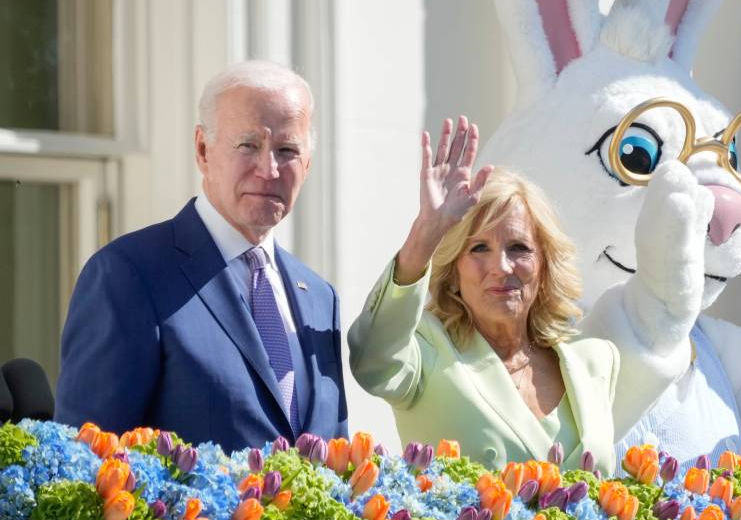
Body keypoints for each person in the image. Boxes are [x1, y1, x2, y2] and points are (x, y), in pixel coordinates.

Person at [56, 60, 347, 452]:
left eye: (287, 150)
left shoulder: (319, 297)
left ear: (307, 165)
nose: (269, 169)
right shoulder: (130, 275)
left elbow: (339, 467)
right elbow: (86, 469)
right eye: (248, 145)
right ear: (202, 149)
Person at [348, 116, 619, 474]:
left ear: (545, 265)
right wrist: (425, 235)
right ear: (454, 271)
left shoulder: (596, 363)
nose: (501, 267)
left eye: (519, 248)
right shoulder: (428, 351)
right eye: (478, 248)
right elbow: (372, 360)